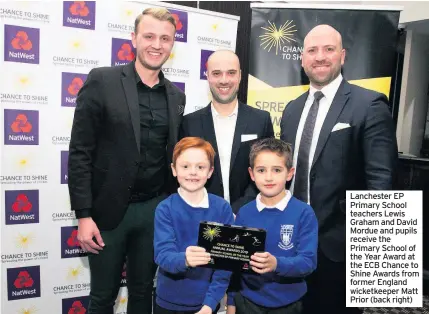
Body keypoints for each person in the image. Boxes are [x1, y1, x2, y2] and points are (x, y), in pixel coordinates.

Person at [68, 8, 186, 314]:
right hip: (107, 214)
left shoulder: (176, 97)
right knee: (102, 297)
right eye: (149, 36)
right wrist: (83, 215)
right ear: (134, 38)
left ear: (172, 44)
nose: (156, 45)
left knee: (143, 292)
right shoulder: (102, 81)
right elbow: (80, 151)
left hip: (154, 211)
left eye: (165, 38)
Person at [280, 24, 398, 314]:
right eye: (312, 50)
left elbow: (382, 181)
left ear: (342, 56)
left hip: (339, 248)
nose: (320, 57)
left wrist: (369, 258)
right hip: (290, 241)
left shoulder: (369, 104)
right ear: (302, 59)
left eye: (328, 49)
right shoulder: (292, 110)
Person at [226, 138, 318, 314]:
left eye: (277, 170)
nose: (268, 177)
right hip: (248, 302)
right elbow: (235, 263)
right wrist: (231, 302)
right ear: (252, 174)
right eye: (261, 170)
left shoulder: (304, 213)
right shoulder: (244, 213)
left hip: (289, 304)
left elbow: (308, 262)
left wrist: (276, 263)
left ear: (290, 173)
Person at [180, 50, 274, 214]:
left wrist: (241, 210)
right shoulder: (189, 123)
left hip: (249, 215)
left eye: (231, 73)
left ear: (239, 76)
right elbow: (185, 173)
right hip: (202, 215)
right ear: (207, 76)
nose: (224, 80)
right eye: (217, 73)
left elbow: (267, 169)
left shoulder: (261, 120)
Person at [153, 137, 235, 314]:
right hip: (168, 303)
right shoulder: (165, 208)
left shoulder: (222, 209)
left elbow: (226, 265)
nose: (193, 172)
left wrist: (209, 304)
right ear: (174, 170)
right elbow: (162, 255)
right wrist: (185, 259)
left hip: (205, 304)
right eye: (185, 166)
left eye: (200, 167)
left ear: (210, 171)